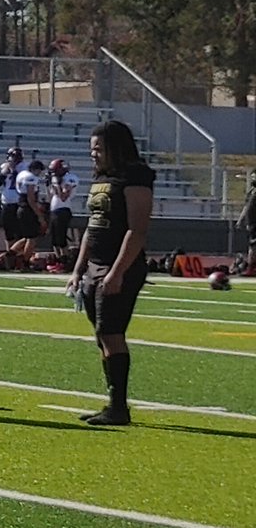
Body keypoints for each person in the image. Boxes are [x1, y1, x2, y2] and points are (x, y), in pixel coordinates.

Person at [69, 120, 155, 426]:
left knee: (111, 333)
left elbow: (137, 229)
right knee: (102, 335)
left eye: (99, 148)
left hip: (118, 265)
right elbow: (93, 228)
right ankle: (113, 403)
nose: (94, 154)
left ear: (116, 148)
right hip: (96, 265)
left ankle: (118, 407)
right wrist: (79, 268)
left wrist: (117, 271)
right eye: (92, 148)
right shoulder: (103, 177)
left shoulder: (135, 176)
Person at [8, 158, 47, 269]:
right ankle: (25, 263)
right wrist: (39, 215)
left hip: (21, 206)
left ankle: (9, 254)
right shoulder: (30, 177)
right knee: (32, 239)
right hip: (27, 208)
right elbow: (31, 198)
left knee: (26, 237)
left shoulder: (22, 174)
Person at [46, 157, 80, 260]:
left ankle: (65, 260)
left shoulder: (70, 178)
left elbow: (64, 197)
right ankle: (58, 259)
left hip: (63, 210)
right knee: (54, 239)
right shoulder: (57, 179)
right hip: (54, 210)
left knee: (61, 238)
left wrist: (57, 185)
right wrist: (49, 185)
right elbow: (50, 197)